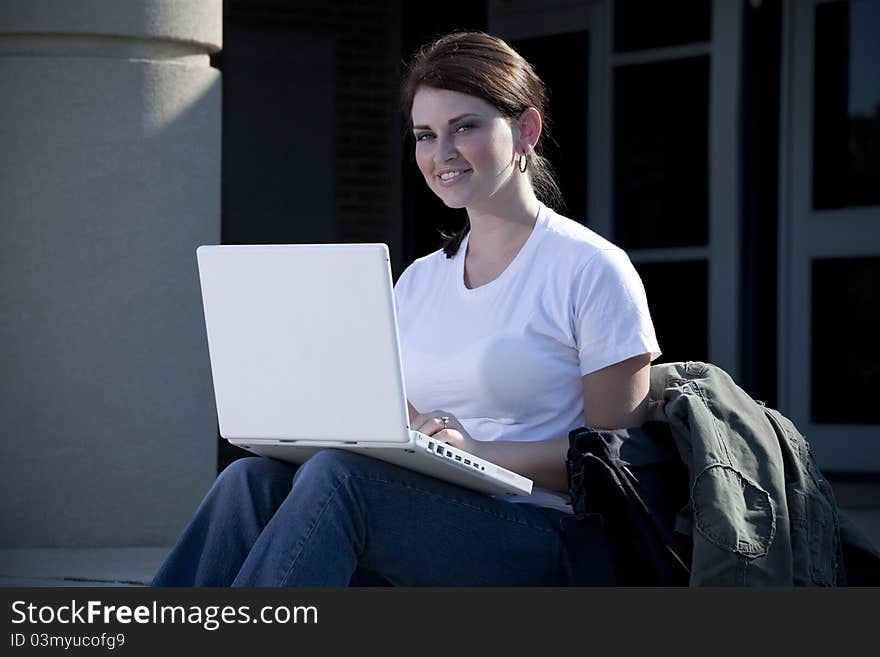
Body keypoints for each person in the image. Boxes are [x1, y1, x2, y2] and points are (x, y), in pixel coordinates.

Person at [152, 31, 660, 587]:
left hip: (551, 532)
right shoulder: (419, 281)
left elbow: (616, 455)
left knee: (338, 478)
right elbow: (396, 415)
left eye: (464, 127)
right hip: (435, 507)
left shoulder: (591, 269)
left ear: (526, 130)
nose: (441, 153)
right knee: (248, 481)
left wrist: (480, 451)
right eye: (425, 134)